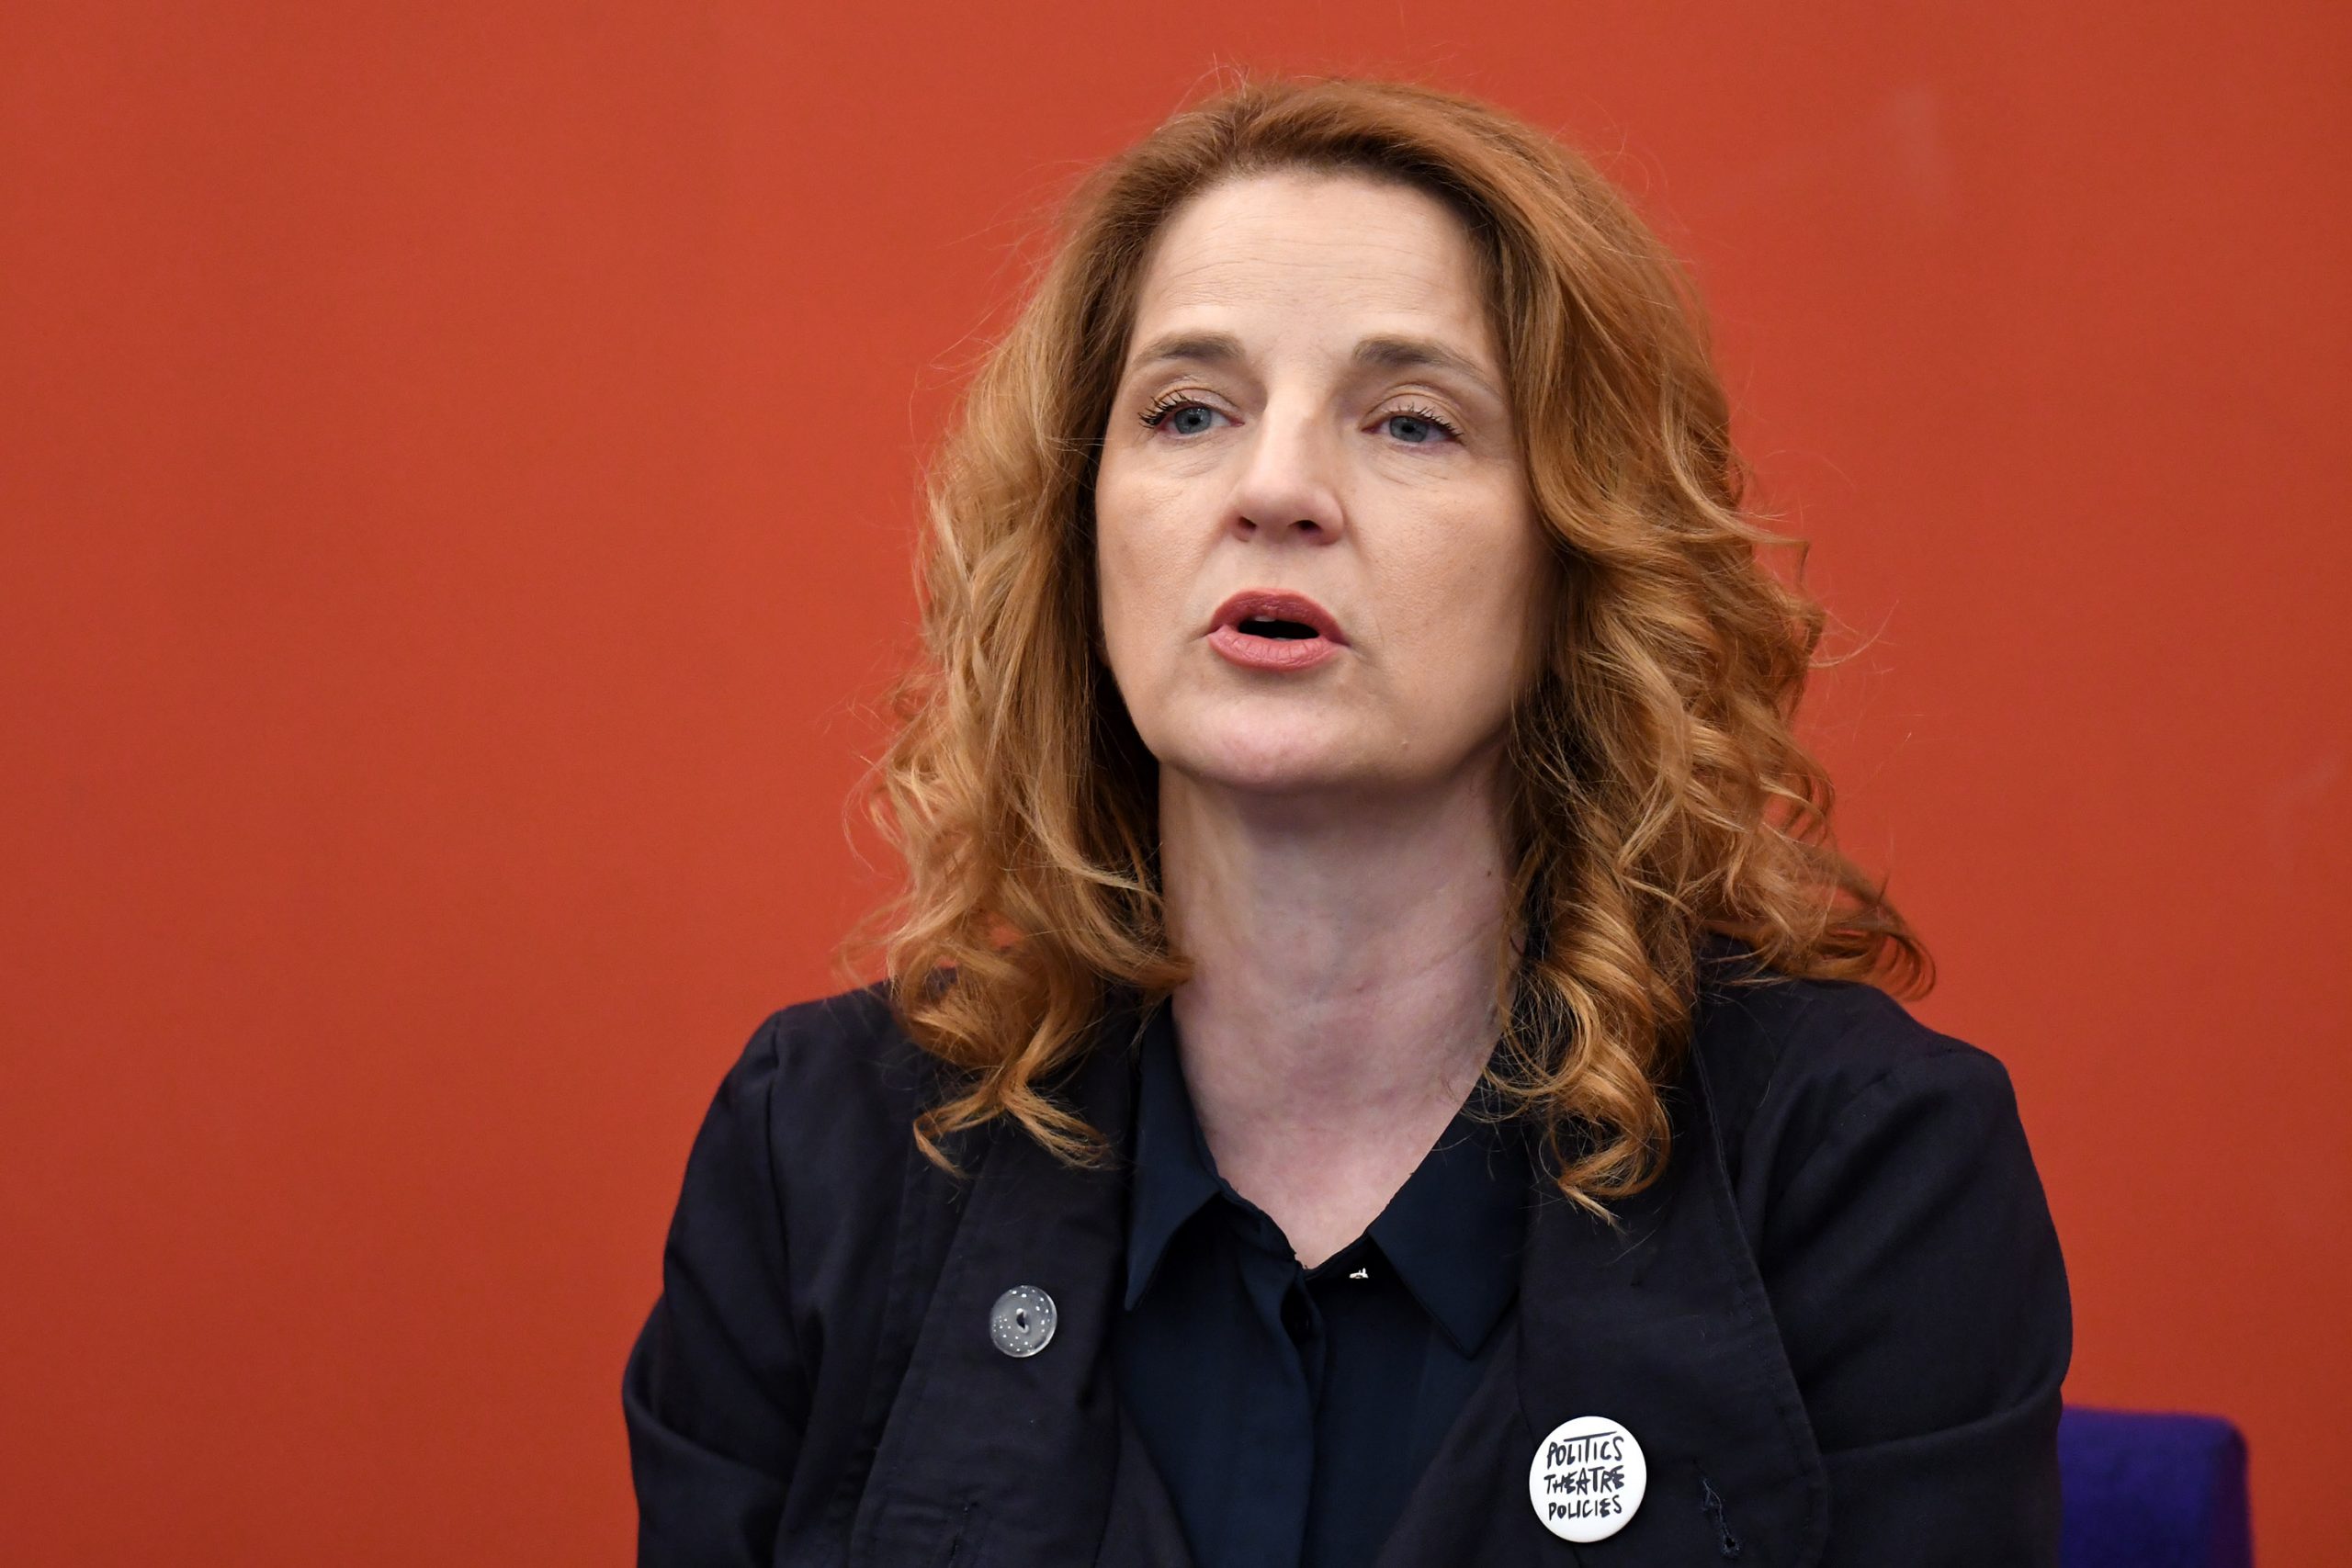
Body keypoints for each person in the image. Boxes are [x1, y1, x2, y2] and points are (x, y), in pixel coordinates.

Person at [620, 74, 2071, 1568]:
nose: (1276, 490)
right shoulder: (825, 1158)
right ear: (1079, 526)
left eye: (1412, 423)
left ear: (1582, 551)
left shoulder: (1858, 1172)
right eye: (1189, 410)